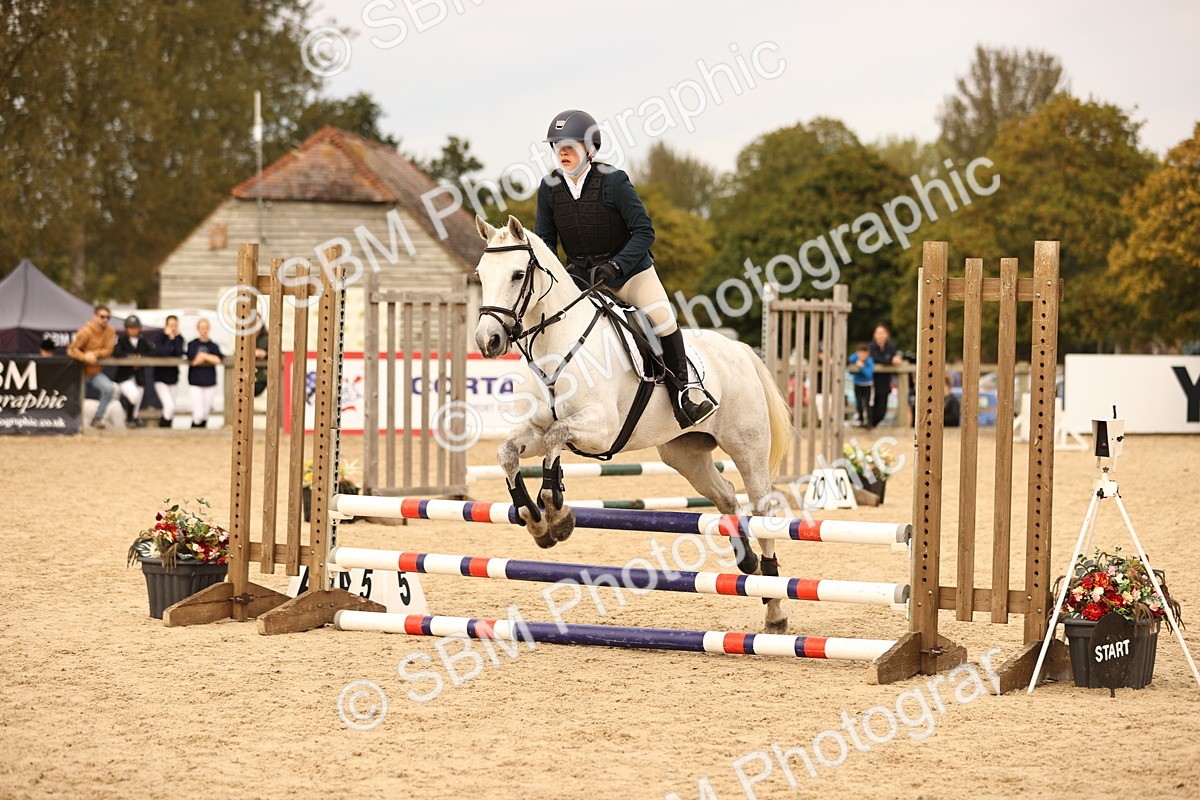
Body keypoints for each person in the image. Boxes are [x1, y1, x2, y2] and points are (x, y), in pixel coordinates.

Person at [534, 108, 714, 429]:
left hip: (630, 272)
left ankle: (684, 393)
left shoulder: (614, 181)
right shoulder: (549, 189)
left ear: (589, 149)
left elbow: (644, 231)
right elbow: (546, 243)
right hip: (580, 277)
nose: (562, 152)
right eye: (557, 146)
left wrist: (616, 265)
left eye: (570, 145)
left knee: (661, 316)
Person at [67, 305, 118, 429]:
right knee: (78, 398)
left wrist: (94, 354)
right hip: (80, 372)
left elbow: (108, 350)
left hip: (95, 371)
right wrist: (85, 357)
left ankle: (98, 418)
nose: (105, 319)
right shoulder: (85, 331)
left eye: (107, 317)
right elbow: (71, 350)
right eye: (102, 316)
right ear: (95, 317)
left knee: (110, 389)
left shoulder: (110, 331)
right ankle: (74, 424)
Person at [114, 314, 155, 428]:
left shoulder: (143, 341)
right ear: (126, 328)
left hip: (139, 376)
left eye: (135, 327)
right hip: (125, 376)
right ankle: (129, 418)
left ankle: (134, 418)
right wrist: (131, 358)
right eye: (130, 327)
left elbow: (153, 352)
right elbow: (117, 353)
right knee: (134, 395)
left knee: (137, 399)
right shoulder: (122, 340)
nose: (133, 330)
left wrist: (141, 357)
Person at [187, 318, 223, 429]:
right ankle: (194, 431)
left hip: (210, 383)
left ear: (209, 329)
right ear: (198, 329)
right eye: (202, 328)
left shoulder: (213, 345)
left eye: (206, 328)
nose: (204, 330)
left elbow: (218, 360)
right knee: (198, 414)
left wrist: (203, 356)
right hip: (195, 383)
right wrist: (208, 358)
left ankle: (202, 434)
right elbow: (194, 361)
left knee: (206, 413)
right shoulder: (192, 344)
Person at [867, 323, 903, 428]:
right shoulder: (870, 347)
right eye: (878, 333)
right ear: (874, 335)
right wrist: (890, 361)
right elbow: (875, 358)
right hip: (871, 382)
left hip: (884, 383)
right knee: (869, 407)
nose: (880, 335)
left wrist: (896, 359)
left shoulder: (891, 347)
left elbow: (897, 357)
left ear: (887, 334)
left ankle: (872, 426)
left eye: (882, 333)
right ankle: (867, 426)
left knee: (881, 412)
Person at [153, 315, 186, 428]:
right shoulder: (159, 337)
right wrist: (170, 338)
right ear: (166, 326)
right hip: (160, 378)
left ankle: (167, 428)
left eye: (175, 325)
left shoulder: (180, 339)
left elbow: (179, 353)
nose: (172, 327)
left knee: (171, 409)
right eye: (170, 325)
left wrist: (175, 338)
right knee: (169, 406)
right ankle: (163, 428)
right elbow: (163, 353)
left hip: (173, 378)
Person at [847, 342, 875, 427]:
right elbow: (850, 360)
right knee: (858, 403)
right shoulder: (855, 358)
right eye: (860, 352)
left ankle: (869, 422)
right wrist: (857, 358)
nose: (863, 355)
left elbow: (869, 374)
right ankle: (861, 420)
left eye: (864, 353)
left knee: (868, 404)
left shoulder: (869, 361)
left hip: (868, 385)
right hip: (857, 384)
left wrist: (861, 366)